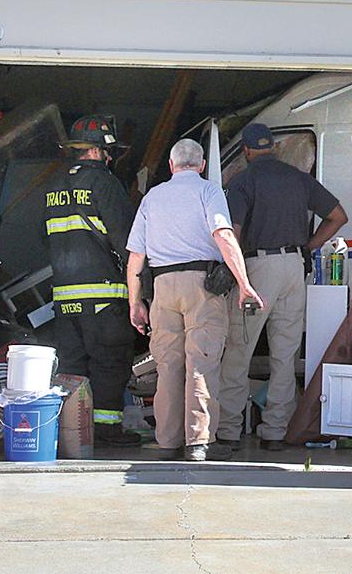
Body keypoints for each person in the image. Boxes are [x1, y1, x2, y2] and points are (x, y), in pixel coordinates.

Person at [125, 139, 263, 462]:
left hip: (162, 286)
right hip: (202, 287)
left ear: (171, 166)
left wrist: (135, 303)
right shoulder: (209, 191)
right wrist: (244, 284)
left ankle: (168, 441)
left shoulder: (152, 199)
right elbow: (224, 236)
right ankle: (199, 441)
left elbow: (135, 257)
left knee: (168, 365)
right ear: (201, 165)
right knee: (201, 361)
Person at [217, 122, 348, 451]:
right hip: (294, 268)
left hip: (257, 268)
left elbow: (231, 231)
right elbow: (338, 216)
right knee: (285, 354)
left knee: (238, 350)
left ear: (246, 151)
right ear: (272, 148)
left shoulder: (243, 181)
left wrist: (235, 274)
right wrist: (308, 247)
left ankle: (229, 431)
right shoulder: (299, 179)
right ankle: (275, 432)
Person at [43, 115, 140, 447]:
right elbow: (128, 242)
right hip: (104, 297)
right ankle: (107, 430)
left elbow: (48, 240)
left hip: (65, 298)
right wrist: (144, 289)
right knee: (110, 363)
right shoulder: (106, 184)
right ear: (101, 152)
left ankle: (74, 431)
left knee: (72, 367)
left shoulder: (54, 187)